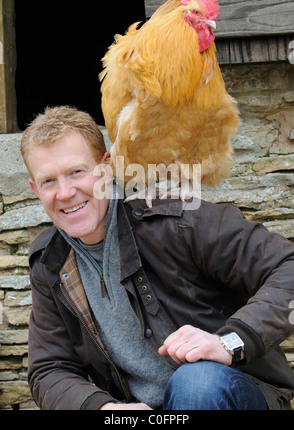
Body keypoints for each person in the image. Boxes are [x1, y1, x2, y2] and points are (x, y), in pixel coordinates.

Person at [21, 105, 294, 411]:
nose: (66, 192)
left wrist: (228, 342)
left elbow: (288, 267)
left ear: (106, 167)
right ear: (34, 189)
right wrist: (105, 409)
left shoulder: (177, 222)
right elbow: (49, 370)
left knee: (196, 383)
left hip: (231, 393)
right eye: (48, 181)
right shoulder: (50, 261)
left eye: (76, 172)